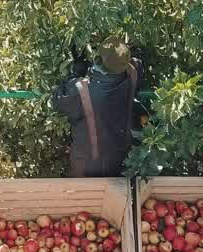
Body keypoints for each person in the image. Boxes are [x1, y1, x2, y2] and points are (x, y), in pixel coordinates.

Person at [52, 37, 142, 177]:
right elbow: (135, 63)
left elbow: (58, 99)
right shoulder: (133, 73)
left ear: (98, 60)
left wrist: (75, 74)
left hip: (88, 164)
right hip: (122, 156)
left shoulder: (81, 90)